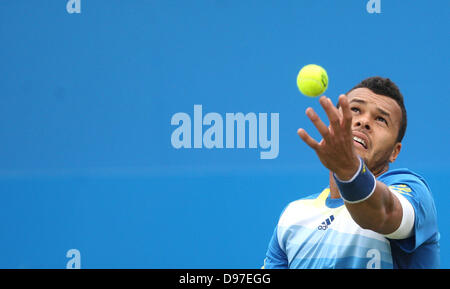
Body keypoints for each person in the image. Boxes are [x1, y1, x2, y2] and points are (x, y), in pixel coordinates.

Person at [263, 77, 440, 269]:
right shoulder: (293, 216)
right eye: (355, 110)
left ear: (394, 152)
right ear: (333, 124)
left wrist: (349, 171)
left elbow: (383, 213)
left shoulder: (413, 193)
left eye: (381, 119)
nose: (364, 122)